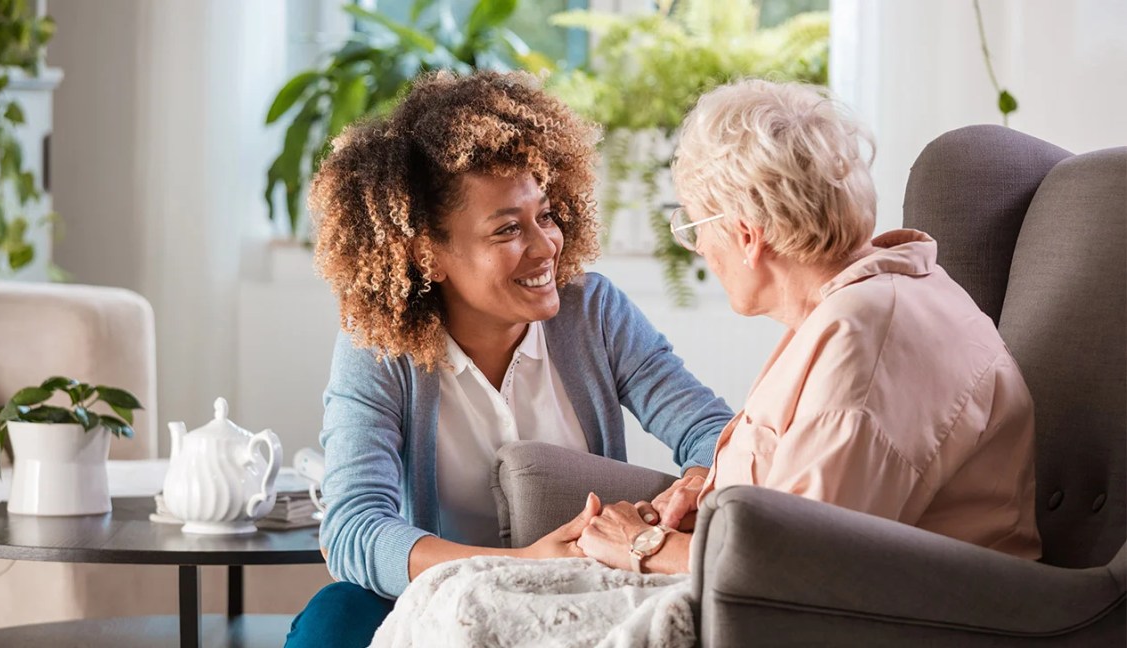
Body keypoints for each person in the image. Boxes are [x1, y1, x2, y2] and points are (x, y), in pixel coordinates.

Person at [283, 71, 735, 647]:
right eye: (507, 230)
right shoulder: (378, 348)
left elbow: (711, 431)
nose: (546, 245)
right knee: (334, 619)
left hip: (578, 594)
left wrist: (693, 486)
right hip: (434, 597)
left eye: (545, 215)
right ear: (428, 255)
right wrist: (514, 563)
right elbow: (352, 529)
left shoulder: (593, 313)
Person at [574, 78, 1041, 575]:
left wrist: (644, 545)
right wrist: (713, 495)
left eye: (693, 228)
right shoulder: (866, 301)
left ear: (747, 235)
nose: (701, 249)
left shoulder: (865, 339)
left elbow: (800, 568)